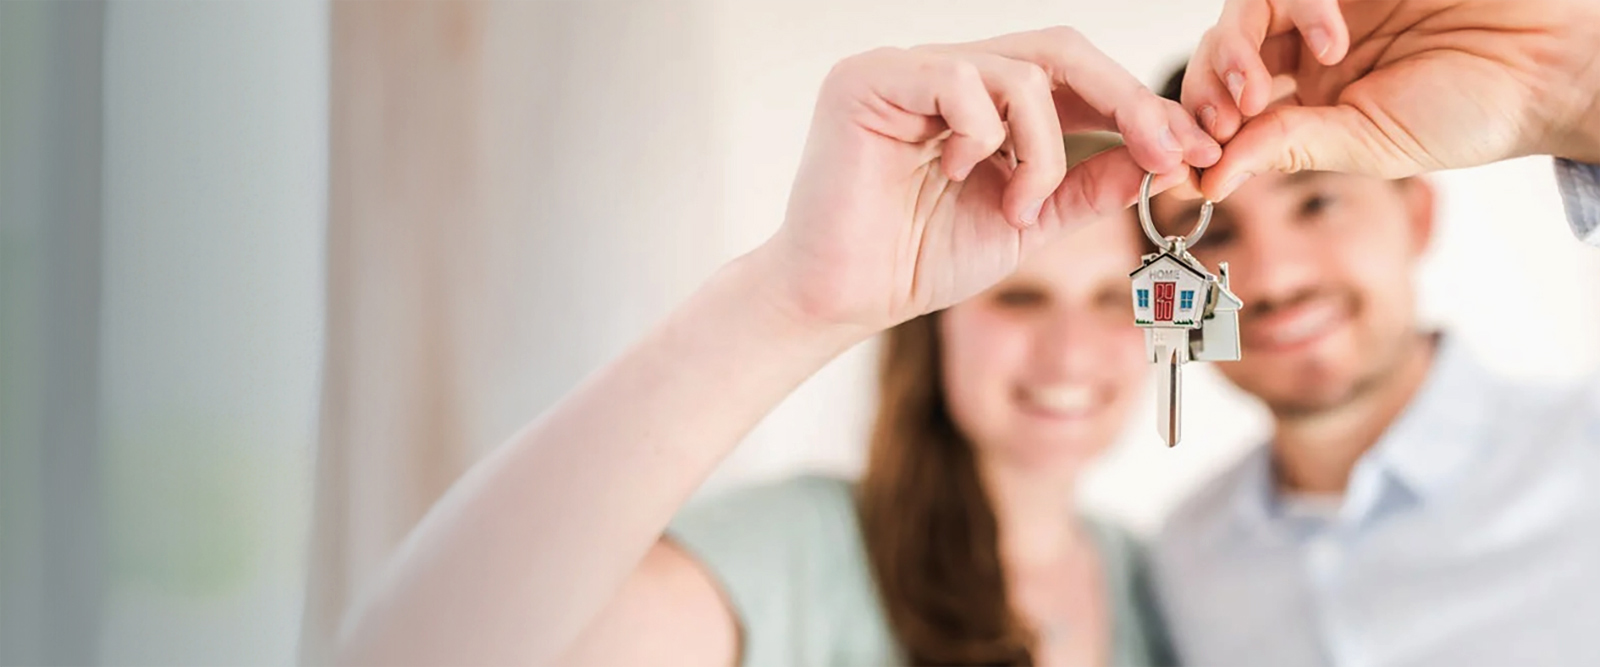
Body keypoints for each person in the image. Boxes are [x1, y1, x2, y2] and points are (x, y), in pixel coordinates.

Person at [333, 28, 1220, 667]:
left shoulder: (1154, 576)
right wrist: (794, 299)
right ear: (938, 327)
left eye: (1112, 299)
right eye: (1020, 299)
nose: (1070, 351)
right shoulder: (809, 551)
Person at [1144, 0, 1600, 665]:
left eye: (1317, 201)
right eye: (1211, 234)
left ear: (1415, 214)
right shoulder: (1178, 562)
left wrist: (1584, 89)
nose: (1273, 280)